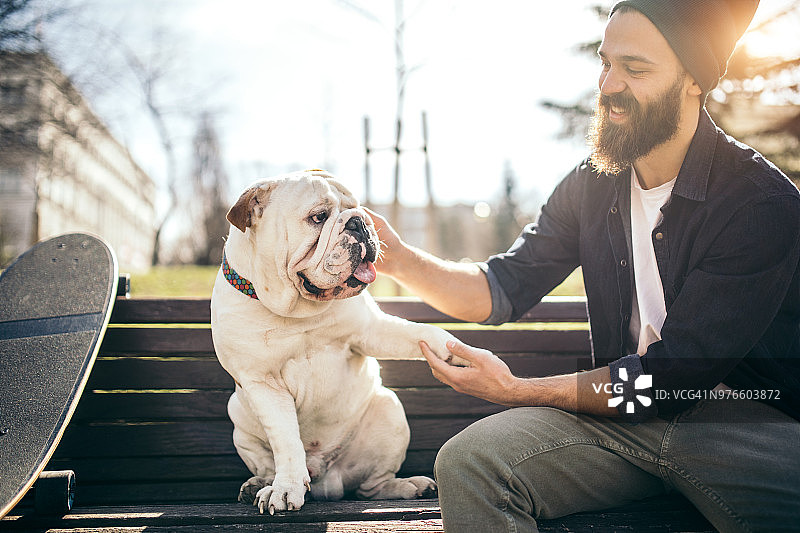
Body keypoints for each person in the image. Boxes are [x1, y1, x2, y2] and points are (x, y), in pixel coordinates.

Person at [368, 1, 800, 531]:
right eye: (606, 62)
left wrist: (519, 390)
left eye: (635, 69)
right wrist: (396, 258)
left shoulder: (758, 203)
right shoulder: (593, 183)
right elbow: (501, 287)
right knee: (473, 463)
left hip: (748, 423)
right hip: (626, 423)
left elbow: (674, 377)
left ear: (694, 80)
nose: (609, 86)